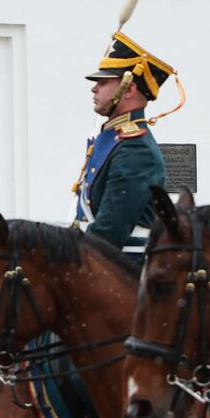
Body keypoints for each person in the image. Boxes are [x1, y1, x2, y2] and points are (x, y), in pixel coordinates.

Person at [73, 30, 176, 252]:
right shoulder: (113, 138)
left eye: (103, 81)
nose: (94, 88)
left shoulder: (135, 149)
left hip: (124, 269)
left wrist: (67, 254)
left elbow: (110, 231)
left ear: (128, 89)